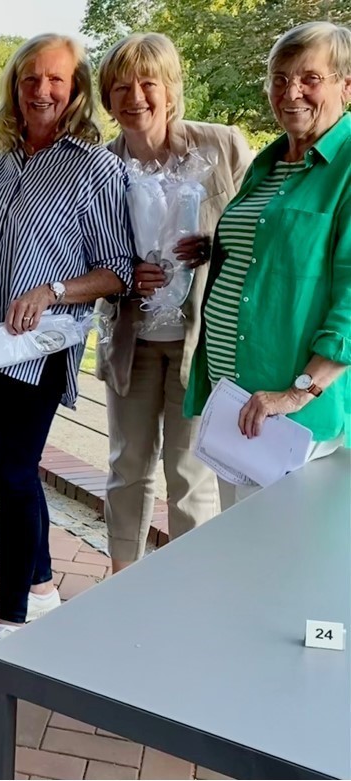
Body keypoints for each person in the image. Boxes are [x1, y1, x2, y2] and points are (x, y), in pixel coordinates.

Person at [0, 35, 134, 642]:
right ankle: (40, 588)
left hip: (40, 350)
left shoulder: (96, 167)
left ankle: (12, 615)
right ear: (15, 87)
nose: (42, 91)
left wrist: (53, 290)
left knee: (13, 477)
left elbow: (118, 271)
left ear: (77, 90)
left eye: (56, 80)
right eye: (30, 79)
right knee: (12, 471)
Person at [95, 34, 253, 572]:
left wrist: (215, 245)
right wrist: (123, 275)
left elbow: (260, 231)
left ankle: (189, 589)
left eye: (148, 83)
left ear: (170, 89)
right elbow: (83, 251)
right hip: (131, 342)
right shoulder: (100, 166)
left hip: (202, 344)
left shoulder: (221, 147)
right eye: (120, 87)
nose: (135, 97)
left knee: (190, 474)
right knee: (127, 468)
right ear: (107, 98)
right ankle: (122, 584)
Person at [184, 21, 351, 508]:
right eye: (279, 78)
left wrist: (298, 393)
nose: (291, 92)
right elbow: (272, 252)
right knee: (240, 540)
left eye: (309, 78)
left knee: (284, 548)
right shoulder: (270, 161)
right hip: (237, 402)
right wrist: (215, 247)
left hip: (291, 416)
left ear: (346, 85)